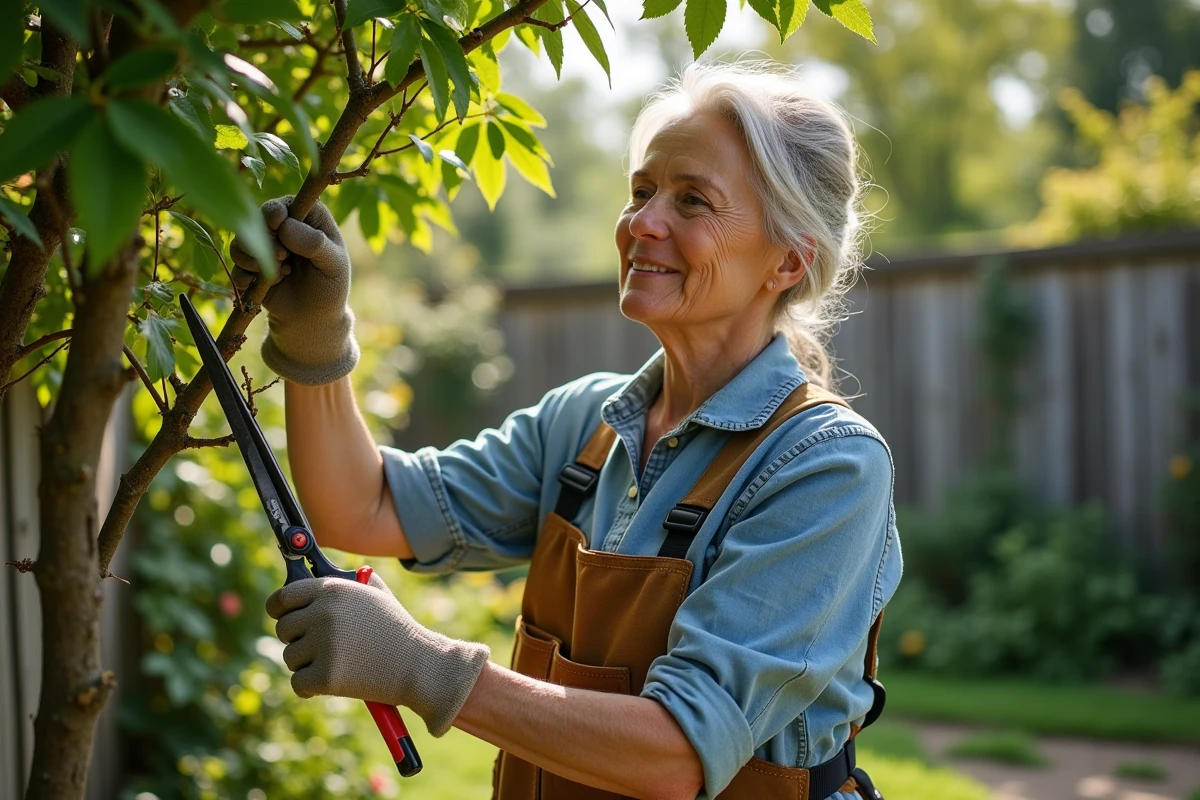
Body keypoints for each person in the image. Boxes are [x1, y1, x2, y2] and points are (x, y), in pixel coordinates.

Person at [233, 61, 901, 800]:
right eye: (642, 191)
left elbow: (680, 753)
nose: (643, 222)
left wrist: (424, 666)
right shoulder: (586, 427)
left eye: (692, 201)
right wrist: (316, 337)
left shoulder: (826, 466)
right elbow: (363, 506)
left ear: (788, 259)